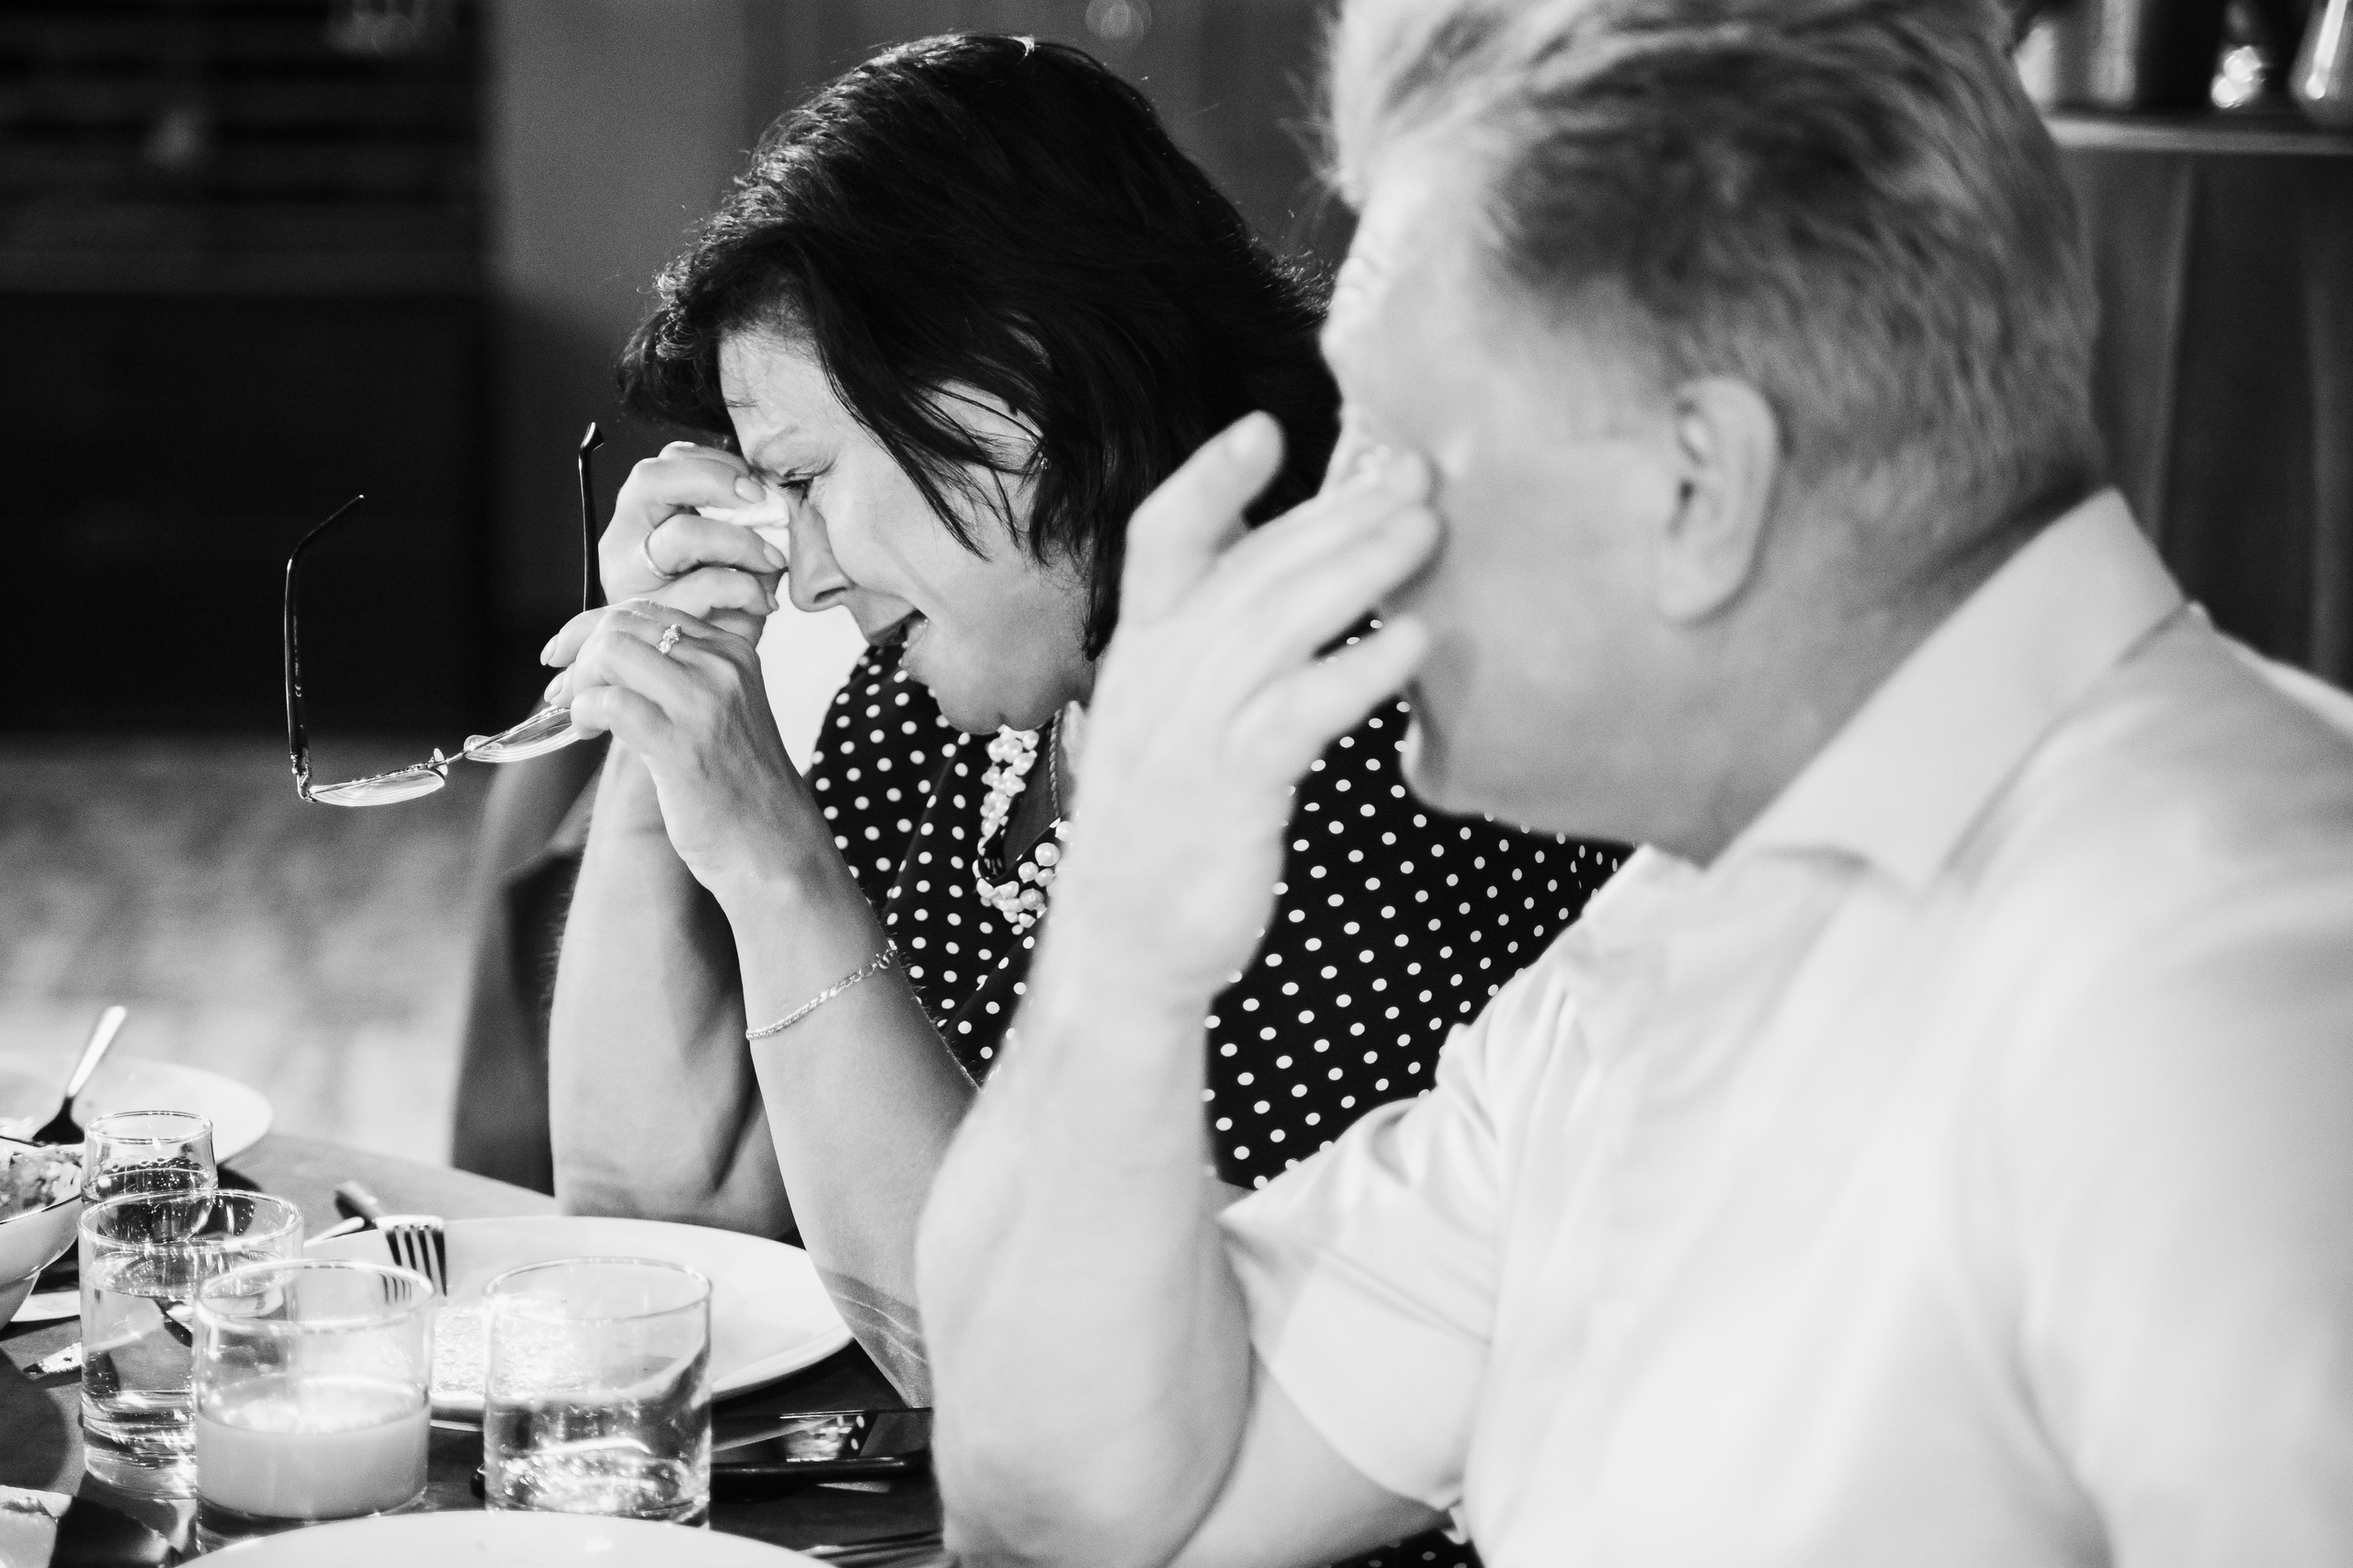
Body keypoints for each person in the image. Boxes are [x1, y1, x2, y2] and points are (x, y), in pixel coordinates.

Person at [912, 3, 2353, 1565]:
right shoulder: (1657, 941)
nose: (1331, 528)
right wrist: (1124, 943)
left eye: (1389, 443)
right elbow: (1075, 1518)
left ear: (1694, 488)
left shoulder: (2220, 974)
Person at [536, 28, 1622, 1460]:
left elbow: (1056, 1404)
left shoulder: (1373, 745)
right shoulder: (944, 710)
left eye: (806, 476)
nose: (799, 574)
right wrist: (664, 716)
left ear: (1012, 383)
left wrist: (780, 865)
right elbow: (654, 1221)